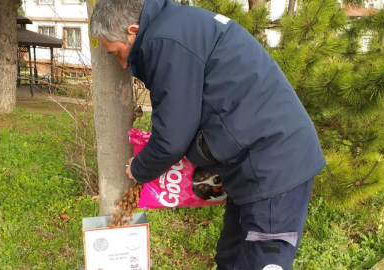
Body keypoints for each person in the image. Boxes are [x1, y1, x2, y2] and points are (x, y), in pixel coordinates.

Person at [90, 0, 326, 269]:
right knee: (231, 258)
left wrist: (140, 168)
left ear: (133, 30)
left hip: (274, 166)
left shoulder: (165, 40)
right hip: (256, 160)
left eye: (117, 53)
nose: (122, 65)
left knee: (260, 259)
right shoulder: (177, 26)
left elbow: (172, 136)